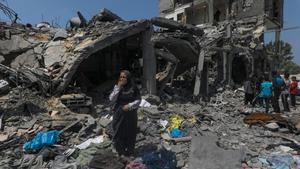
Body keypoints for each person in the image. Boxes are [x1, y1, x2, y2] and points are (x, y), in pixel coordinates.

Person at [109, 70, 141, 156]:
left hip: (130, 114)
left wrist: (130, 105)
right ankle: (120, 151)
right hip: (119, 113)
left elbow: (138, 100)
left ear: (128, 78)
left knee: (130, 132)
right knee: (118, 131)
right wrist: (118, 87)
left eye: (124, 77)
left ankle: (130, 151)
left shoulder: (134, 88)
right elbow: (112, 99)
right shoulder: (118, 87)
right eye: (121, 77)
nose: (122, 79)